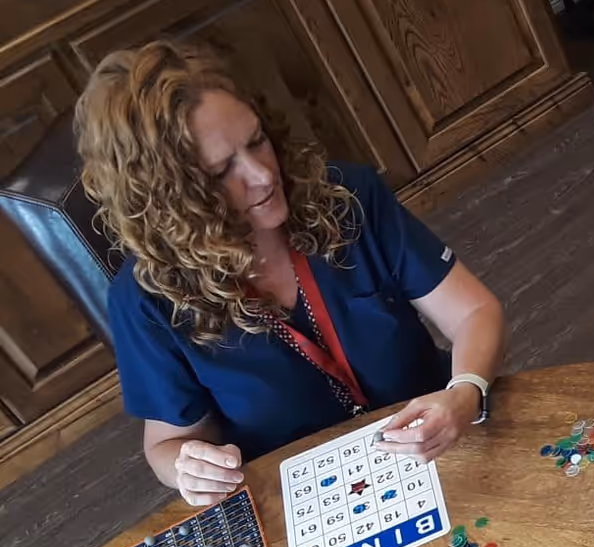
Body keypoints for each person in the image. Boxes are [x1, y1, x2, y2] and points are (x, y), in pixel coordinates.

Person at [80, 41, 505, 506]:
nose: (263, 175)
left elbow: (474, 311)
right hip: (310, 497)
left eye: (257, 140)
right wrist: (189, 468)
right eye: (222, 171)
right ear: (171, 198)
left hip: (436, 445)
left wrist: (465, 392)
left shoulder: (347, 196)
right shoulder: (146, 298)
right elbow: (167, 444)